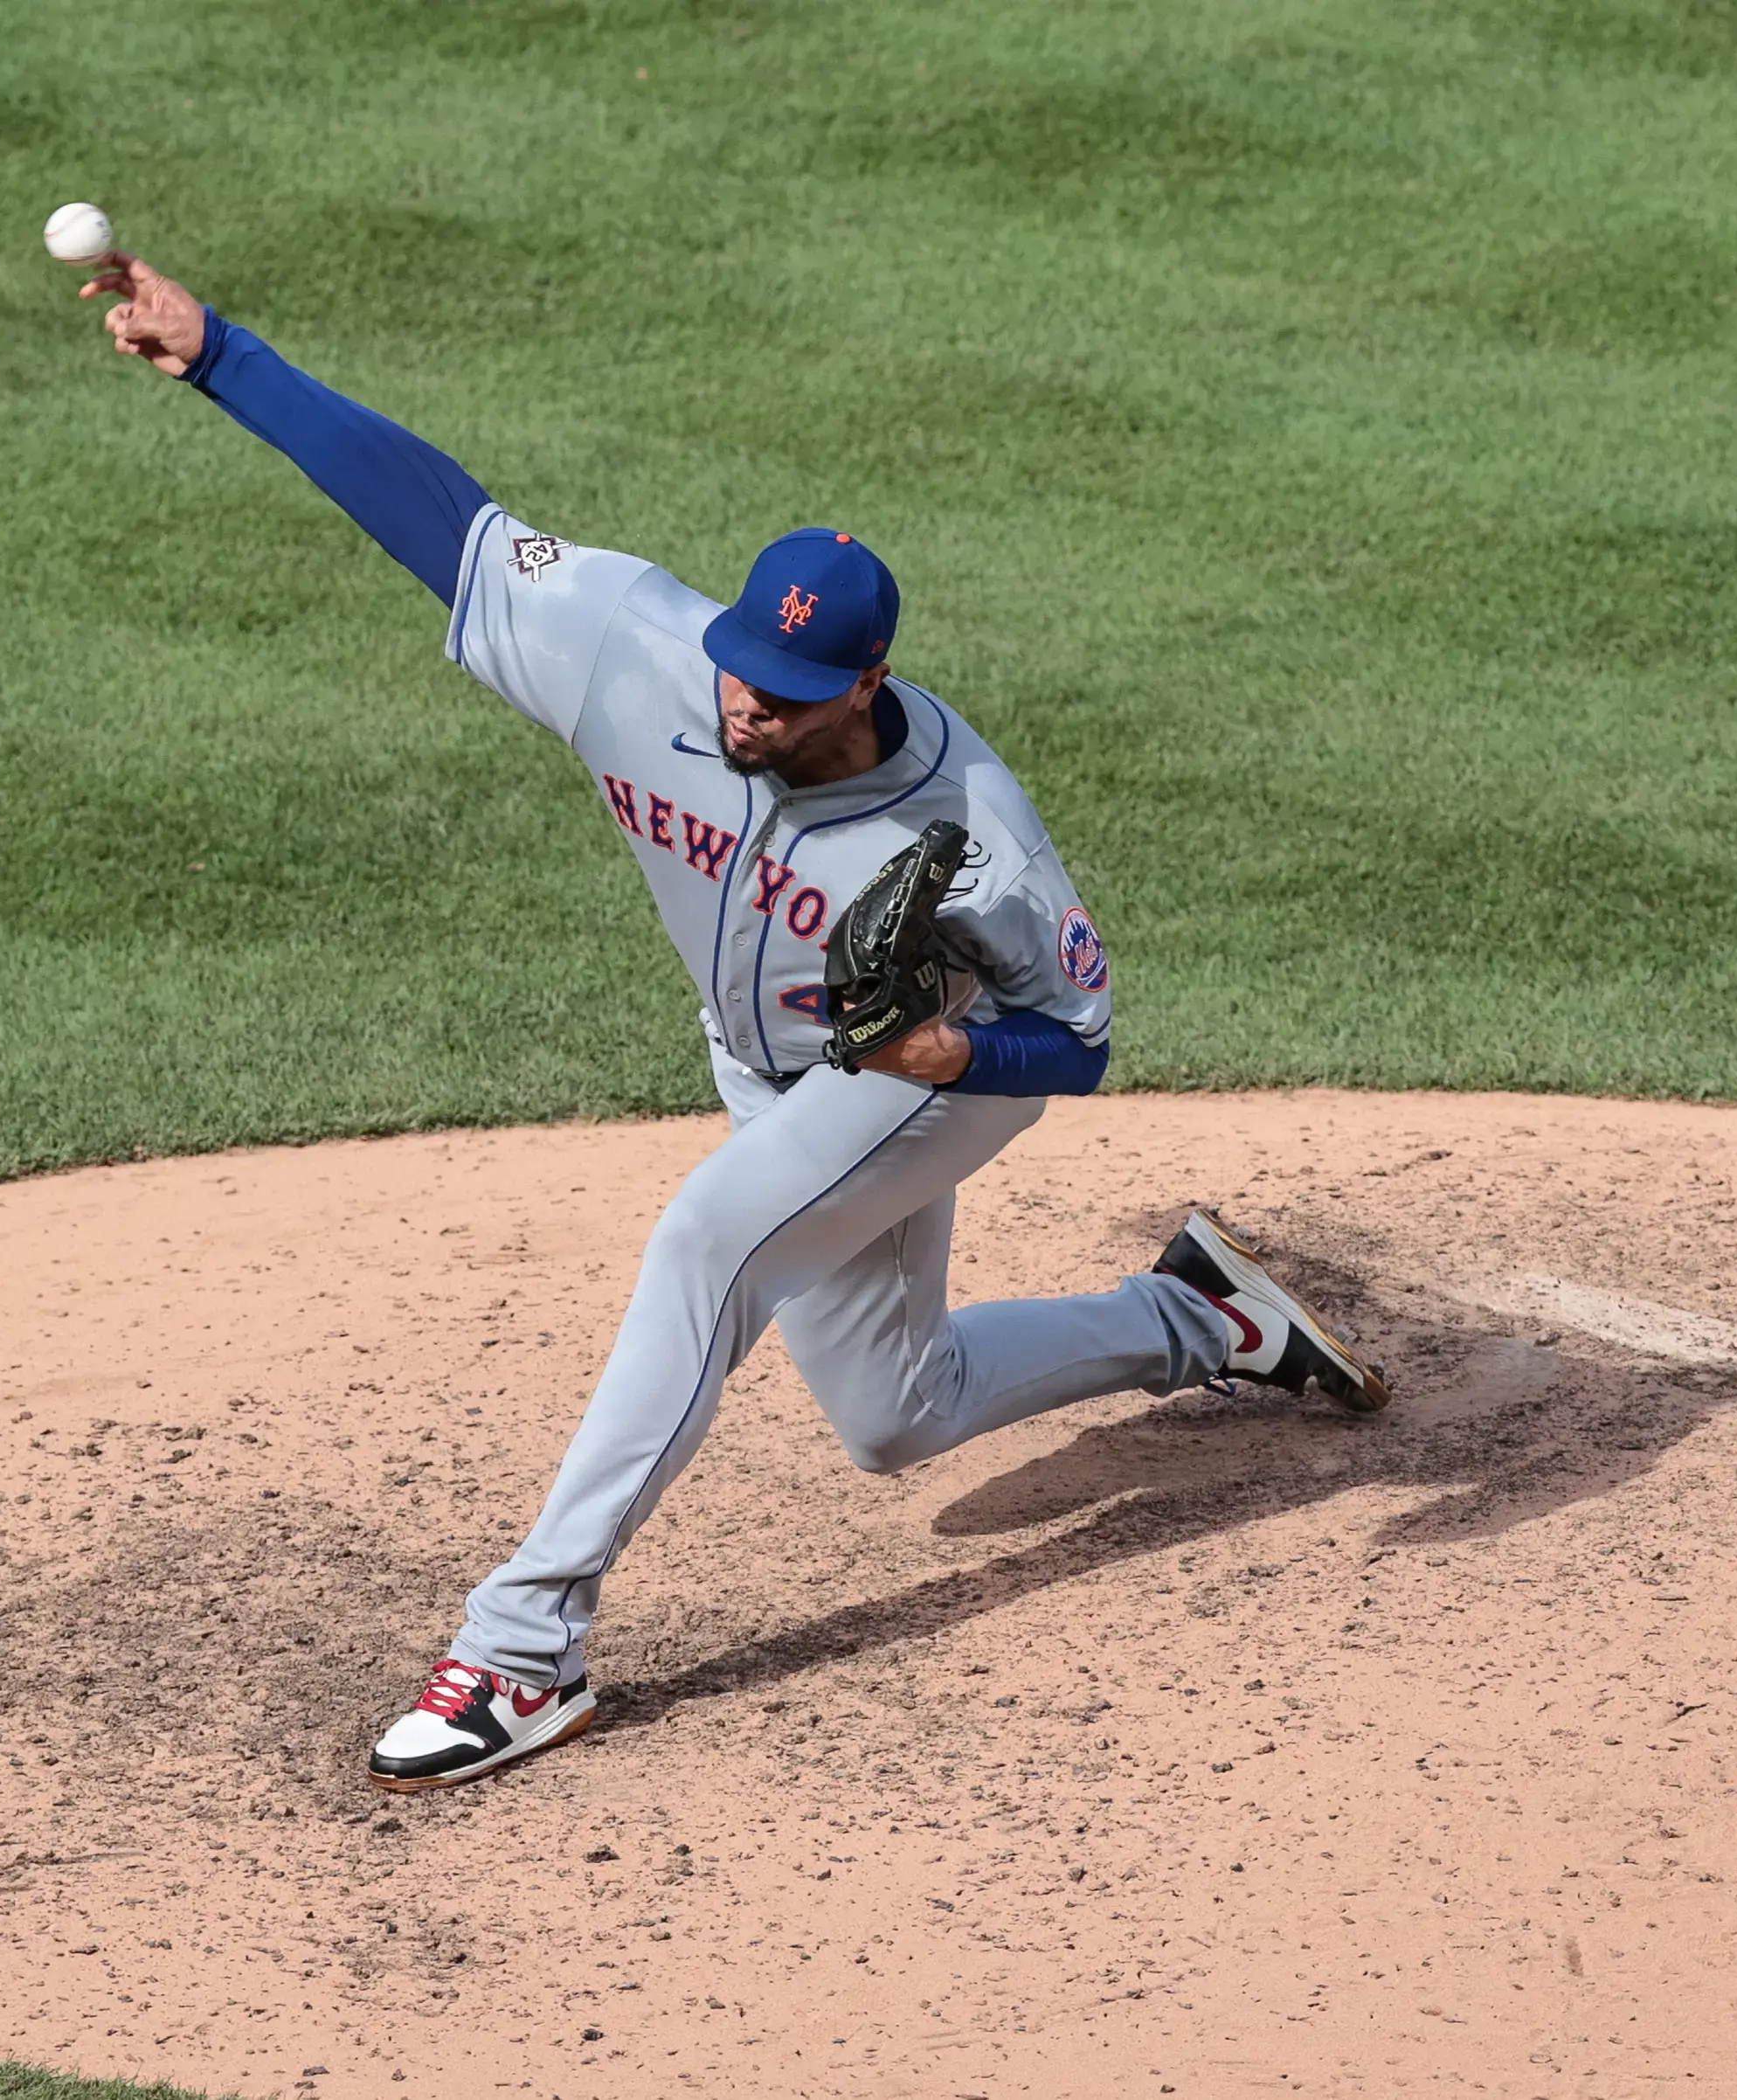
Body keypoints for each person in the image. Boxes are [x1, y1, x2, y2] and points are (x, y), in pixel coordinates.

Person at [78, 257, 1391, 1792]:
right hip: (763, 1066)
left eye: (786, 694)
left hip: (923, 1080)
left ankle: (522, 1648)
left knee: (708, 1240)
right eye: (741, 676)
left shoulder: (976, 828)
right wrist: (223, 352)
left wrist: (953, 1056)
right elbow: (447, 523)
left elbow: (1081, 1036)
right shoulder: (640, 647)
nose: (747, 710)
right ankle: (1204, 1317)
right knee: (901, 1415)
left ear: (869, 680)